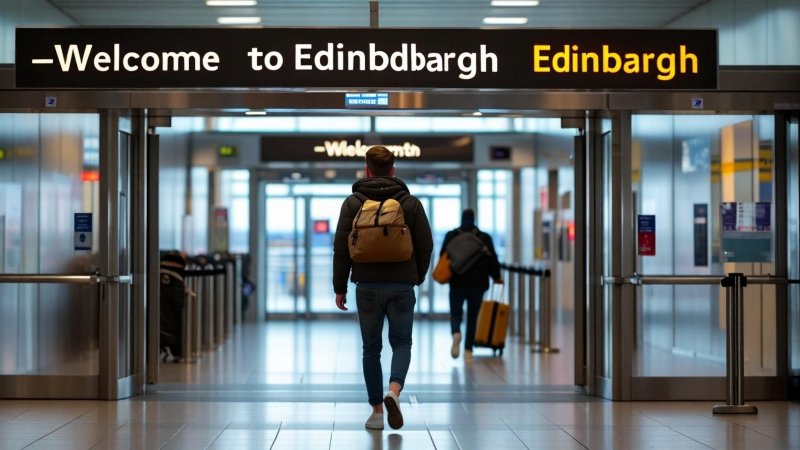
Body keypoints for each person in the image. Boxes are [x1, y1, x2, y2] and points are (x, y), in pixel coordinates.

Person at [333, 145, 433, 431]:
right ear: (393, 170)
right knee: (401, 342)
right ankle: (395, 391)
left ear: (367, 169)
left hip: (366, 286)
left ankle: (377, 411)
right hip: (402, 285)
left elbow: (341, 248)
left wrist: (340, 286)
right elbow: (425, 245)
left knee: (370, 349)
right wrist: (416, 276)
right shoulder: (410, 203)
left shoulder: (352, 204)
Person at [440, 208, 502, 363]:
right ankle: (468, 351)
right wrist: (497, 277)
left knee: (456, 313)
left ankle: (456, 333)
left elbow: (443, 257)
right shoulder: (484, 237)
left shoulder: (451, 235)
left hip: (457, 282)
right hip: (478, 283)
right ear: (474, 219)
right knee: (473, 317)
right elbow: (492, 259)